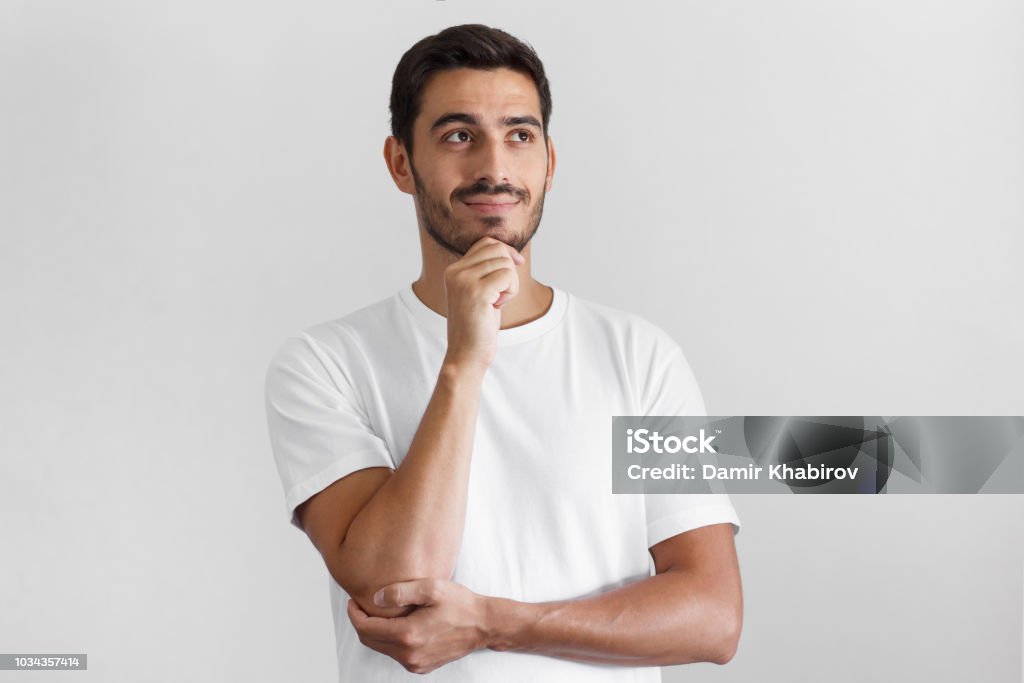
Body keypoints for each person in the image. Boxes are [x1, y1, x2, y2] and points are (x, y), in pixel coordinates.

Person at [264, 23, 743, 682]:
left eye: (520, 135)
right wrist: (463, 361)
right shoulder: (325, 364)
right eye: (458, 136)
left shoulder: (640, 358)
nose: (494, 168)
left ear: (549, 160)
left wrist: (495, 621)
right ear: (401, 163)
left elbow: (712, 617)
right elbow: (393, 584)